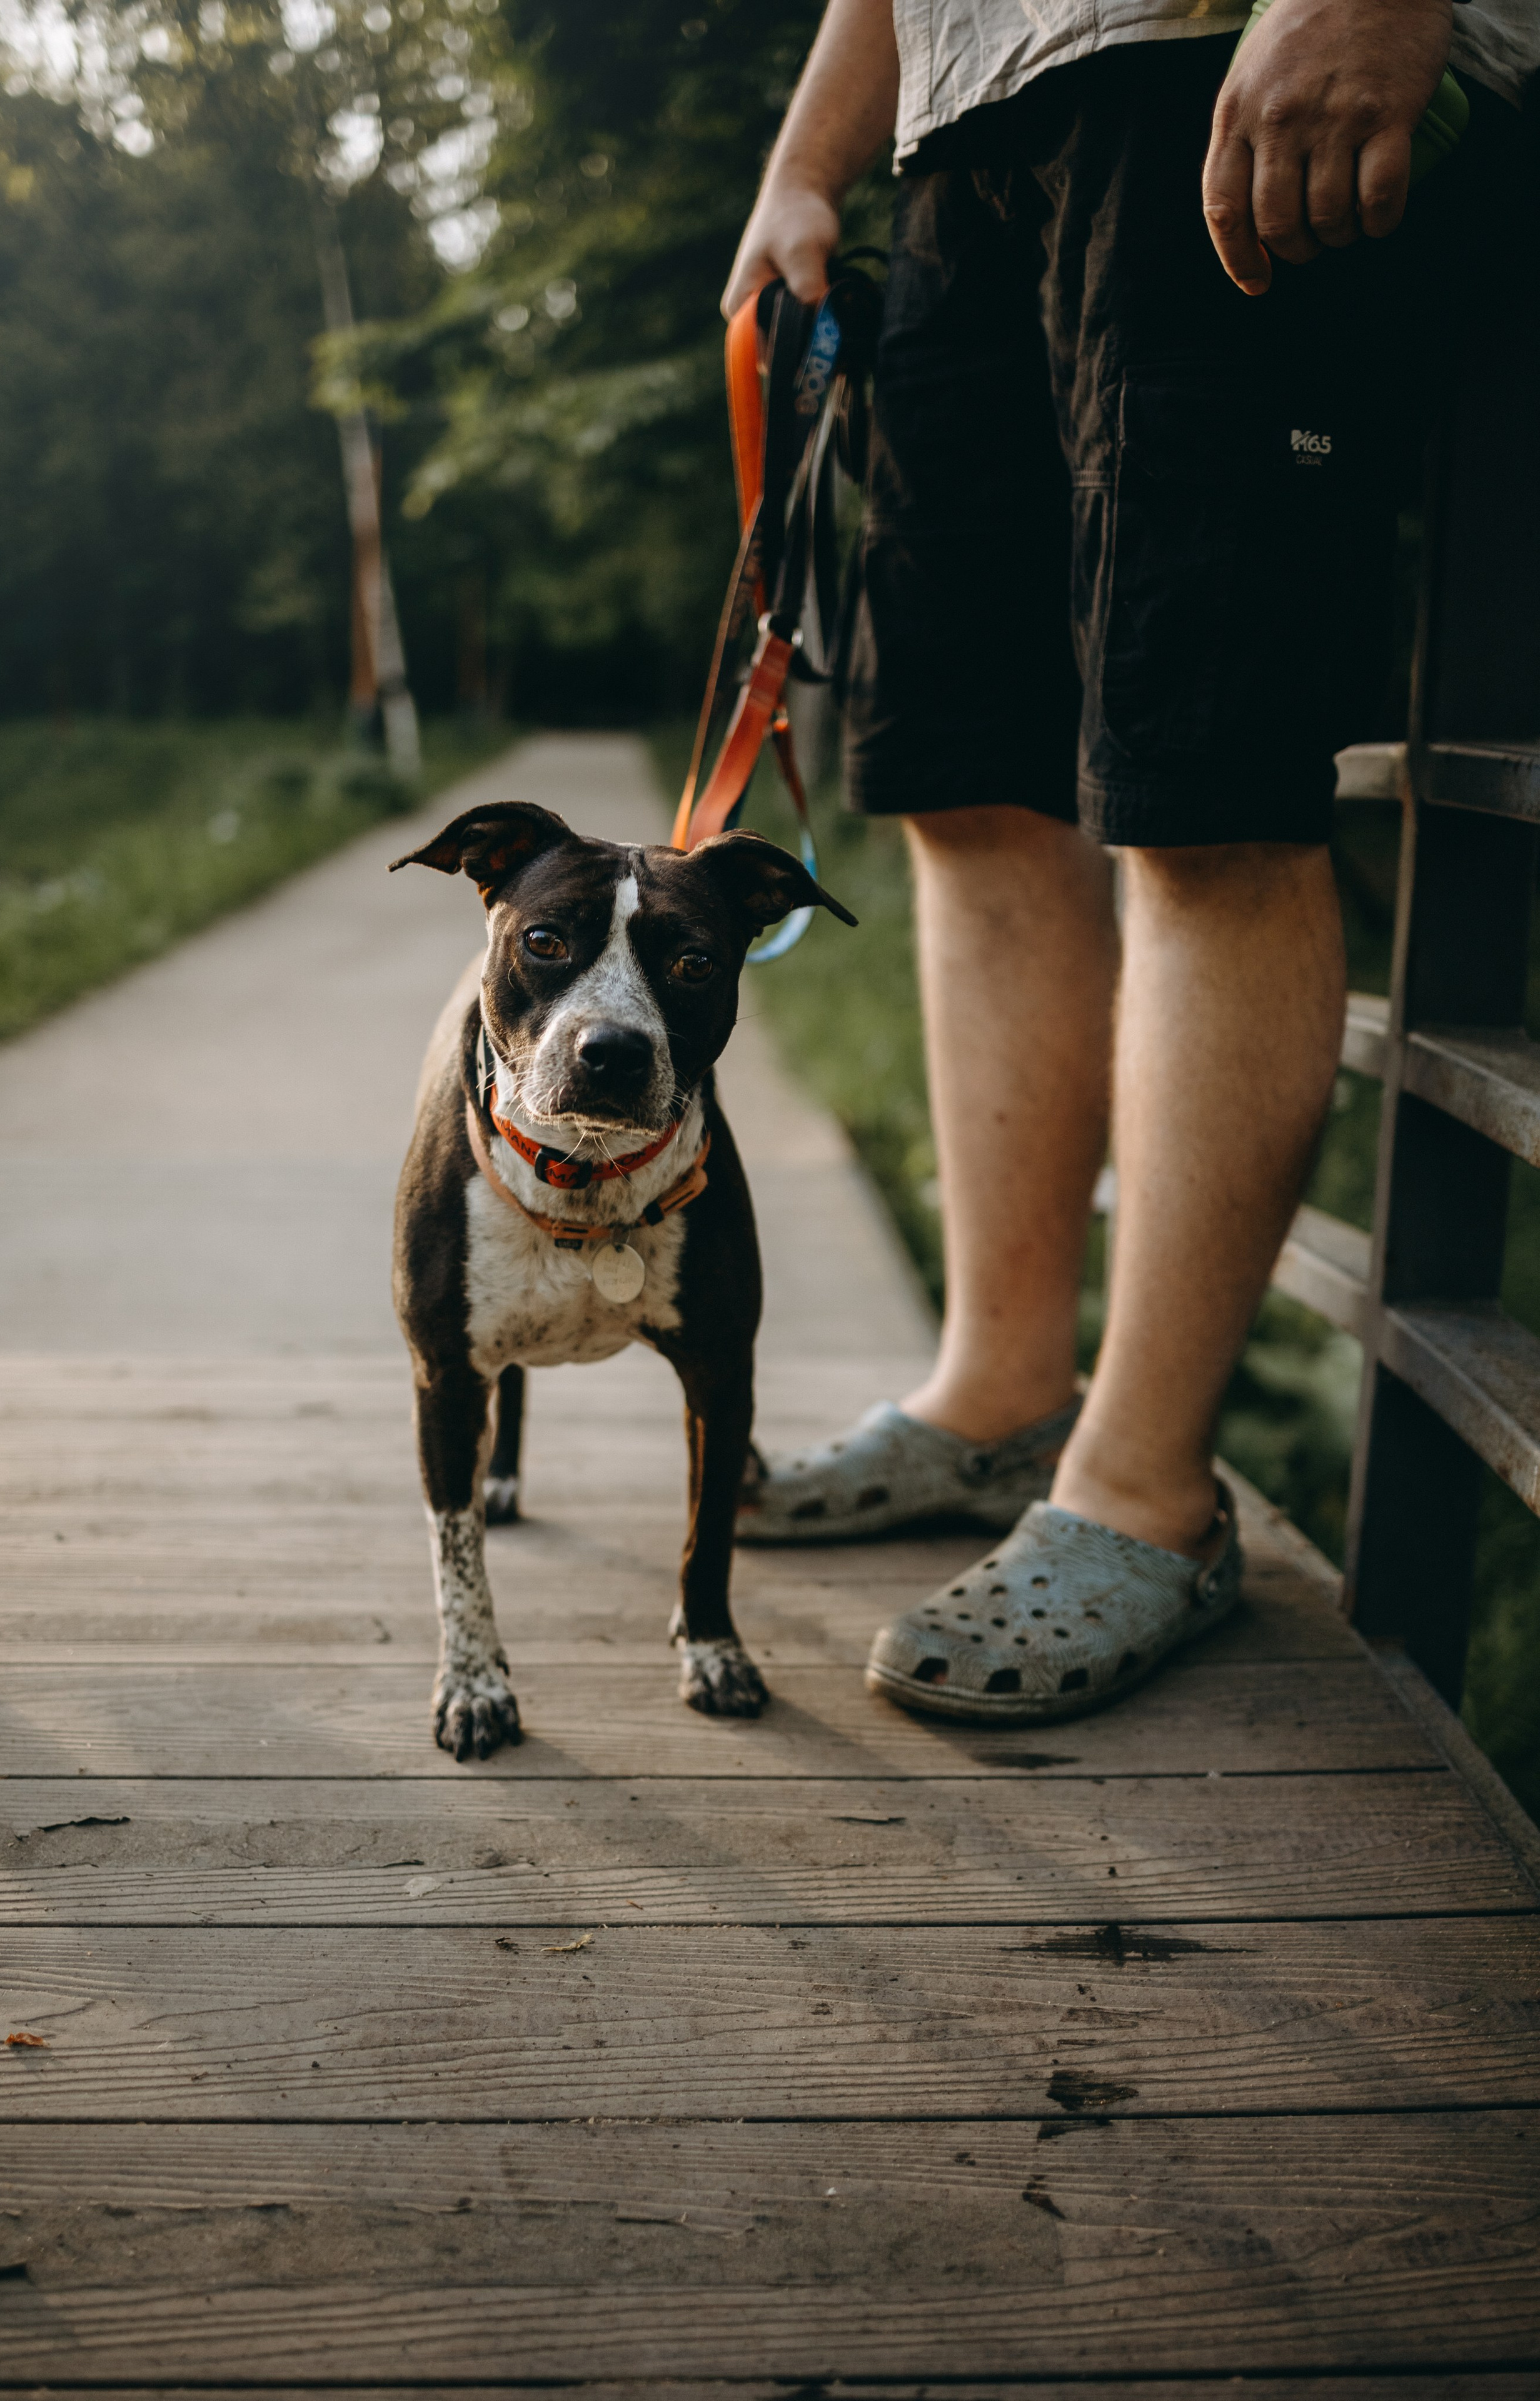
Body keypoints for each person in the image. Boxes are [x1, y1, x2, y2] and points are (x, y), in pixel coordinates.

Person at [727, 0, 1538, 1721]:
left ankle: (1149, 1493)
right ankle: (997, 1389)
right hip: (965, 125)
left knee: (1204, 785)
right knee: (964, 784)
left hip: (1225, 63)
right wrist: (813, 154)